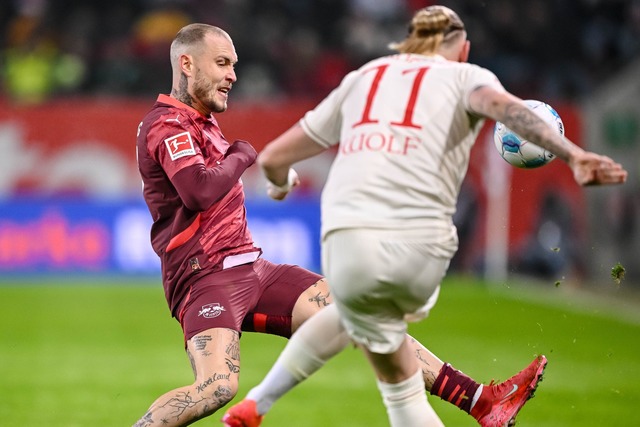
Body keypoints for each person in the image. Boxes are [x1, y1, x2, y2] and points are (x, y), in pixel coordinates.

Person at [222, 5, 627, 427]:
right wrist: (574, 155)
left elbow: (273, 158)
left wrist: (280, 184)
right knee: (390, 370)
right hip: (417, 248)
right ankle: (258, 405)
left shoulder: (363, 78)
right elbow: (512, 113)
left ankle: (257, 404)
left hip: (346, 242)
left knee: (376, 346)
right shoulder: (466, 77)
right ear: (463, 49)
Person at [134, 22, 554, 427]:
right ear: (187, 65)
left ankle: (481, 402)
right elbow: (198, 191)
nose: (233, 75)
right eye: (223, 63)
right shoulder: (167, 124)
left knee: (366, 316)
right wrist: (243, 154)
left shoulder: (202, 123)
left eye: (234, 65)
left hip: (253, 268)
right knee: (216, 387)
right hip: (204, 277)